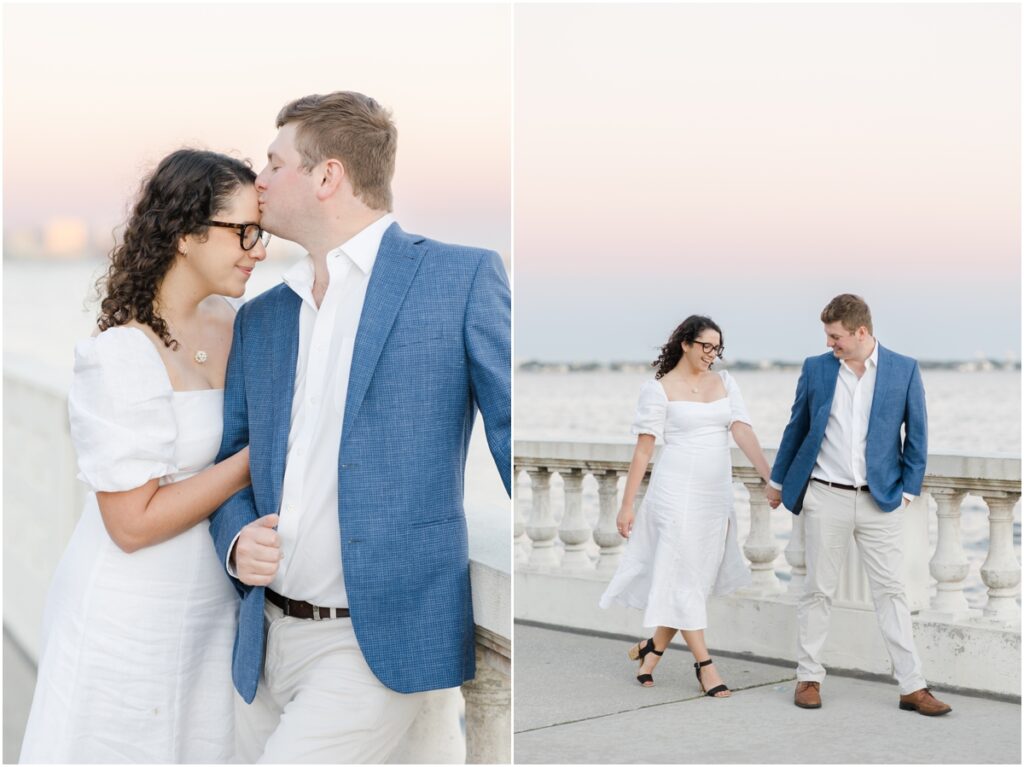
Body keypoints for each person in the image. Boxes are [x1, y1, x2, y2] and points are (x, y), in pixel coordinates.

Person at [208, 91, 511, 763]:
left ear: (327, 176)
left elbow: (512, 433)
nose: (258, 179)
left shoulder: (459, 279)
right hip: (262, 644)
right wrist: (235, 540)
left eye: (273, 162)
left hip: (375, 647)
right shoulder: (262, 317)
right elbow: (232, 461)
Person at [19, 149, 267, 762]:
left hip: (212, 611)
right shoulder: (121, 356)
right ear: (185, 233)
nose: (259, 249)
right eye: (244, 231)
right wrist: (254, 459)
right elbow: (130, 524)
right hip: (127, 613)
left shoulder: (238, 326)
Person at [766, 293, 952, 716]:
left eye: (836, 336)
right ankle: (808, 677)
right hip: (825, 495)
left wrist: (906, 491)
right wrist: (778, 482)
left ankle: (913, 687)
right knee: (818, 591)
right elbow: (797, 426)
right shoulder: (816, 368)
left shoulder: (903, 369)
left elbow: (917, 434)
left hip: (880, 500)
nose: (830, 344)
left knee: (892, 593)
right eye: (828, 336)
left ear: (861, 331)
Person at [599, 315, 773, 698]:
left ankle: (651, 649)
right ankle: (705, 666)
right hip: (674, 491)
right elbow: (644, 450)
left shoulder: (725, 383)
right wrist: (627, 506)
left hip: (715, 496)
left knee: (691, 578)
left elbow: (742, 430)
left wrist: (769, 477)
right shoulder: (658, 390)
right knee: (684, 576)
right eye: (706, 346)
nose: (712, 354)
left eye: (717, 348)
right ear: (686, 344)